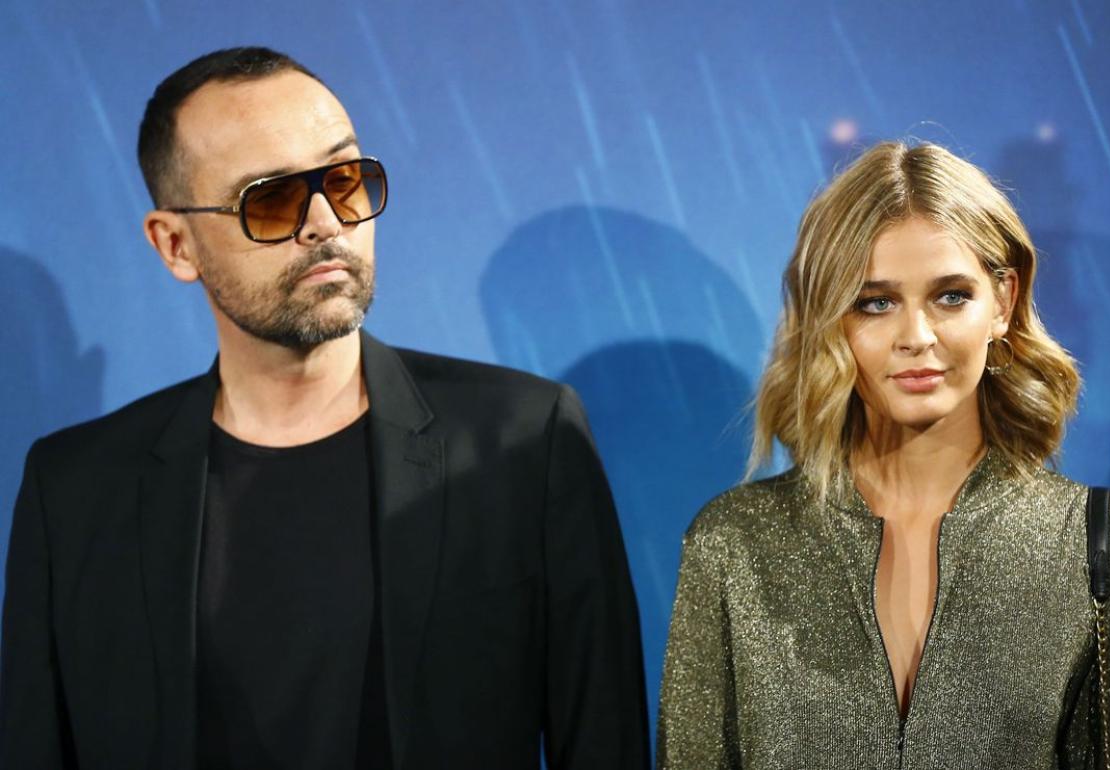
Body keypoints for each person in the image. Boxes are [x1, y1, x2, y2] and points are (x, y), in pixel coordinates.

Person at [0, 47, 649, 769]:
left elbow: (604, 740)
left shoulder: (524, 441)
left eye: (344, 180)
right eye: (271, 199)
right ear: (175, 244)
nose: (326, 224)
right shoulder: (77, 490)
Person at [657, 141, 1110, 768]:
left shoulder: (1097, 543)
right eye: (875, 302)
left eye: (951, 296)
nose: (917, 337)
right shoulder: (733, 543)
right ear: (831, 320)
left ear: (1004, 303)